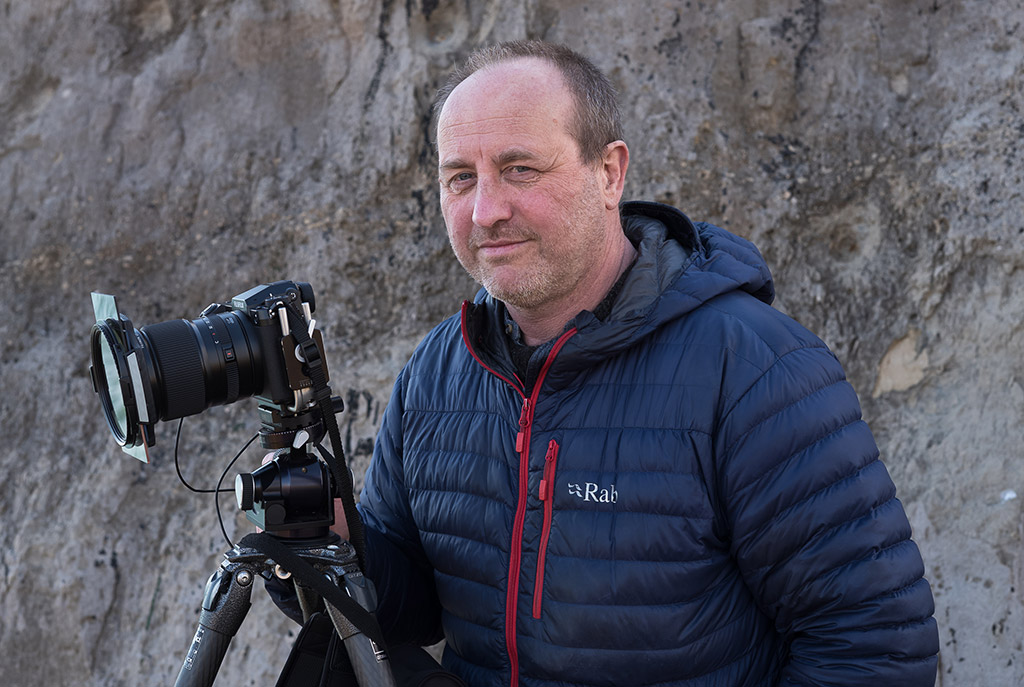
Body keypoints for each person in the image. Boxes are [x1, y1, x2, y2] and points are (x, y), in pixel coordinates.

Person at [346, 40, 939, 686]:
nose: (486, 210)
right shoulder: (437, 371)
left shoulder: (753, 368)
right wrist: (331, 544)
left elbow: (875, 645)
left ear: (610, 173)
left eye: (520, 169)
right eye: (461, 177)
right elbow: (413, 610)